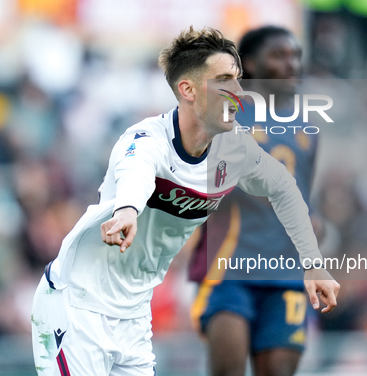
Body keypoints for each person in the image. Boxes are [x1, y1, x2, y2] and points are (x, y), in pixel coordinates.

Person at [31, 26, 339, 376]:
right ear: (188, 89)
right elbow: (136, 172)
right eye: (224, 80)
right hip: (78, 302)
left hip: (133, 313)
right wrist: (128, 210)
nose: (238, 91)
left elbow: (285, 190)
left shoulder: (235, 150)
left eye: (238, 80)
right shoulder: (146, 139)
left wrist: (313, 263)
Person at [189, 26, 324, 376]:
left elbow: (304, 195)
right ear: (250, 62)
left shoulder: (308, 126)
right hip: (230, 267)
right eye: (279, 55)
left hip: (288, 273)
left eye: (295, 56)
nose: (291, 64)